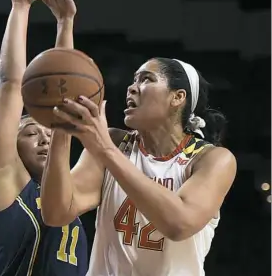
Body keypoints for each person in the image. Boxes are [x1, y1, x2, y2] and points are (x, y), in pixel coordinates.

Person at [40, 55, 237, 275]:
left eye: (146, 79)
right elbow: (56, 212)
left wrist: (106, 150)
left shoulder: (212, 159)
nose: (132, 88)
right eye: (134, 80)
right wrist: (59, 126)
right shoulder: (114, 142)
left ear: (178, 97)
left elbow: (179, 224)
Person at [0, 0, 88, 276]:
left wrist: (65, 23)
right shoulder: (2, 180)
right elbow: (11, 84)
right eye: (30, 132)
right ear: (10, 143)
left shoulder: (66, 189)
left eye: (48, 131)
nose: (45, 137)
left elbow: (63, 91)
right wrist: (21, 6)